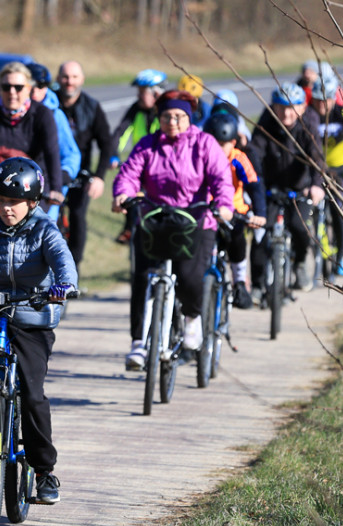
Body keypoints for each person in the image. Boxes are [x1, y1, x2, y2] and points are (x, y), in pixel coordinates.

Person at [0, 157, 76, 504]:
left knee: (33, 394)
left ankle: (44, 471)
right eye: (2, 200)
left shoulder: (44, 228)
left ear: (32, 203)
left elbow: (62, 259)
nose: (7, 209)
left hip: (34, 315)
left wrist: (64, 284)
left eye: (15, 202)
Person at [112, 90, 234, 370]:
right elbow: (128, 175)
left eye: (179, 116)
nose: (173, 122)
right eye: (167, 116)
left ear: (189, 118)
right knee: (142, 277)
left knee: (191, 277)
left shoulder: (205, 144)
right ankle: (139, 343)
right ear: (159, 118)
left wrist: (224, 205)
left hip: (196, 220)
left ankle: (192, 319)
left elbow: (220, 179)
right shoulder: (148, 145)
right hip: (155, 219)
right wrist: (122, 195)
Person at [246, 82, 326, 293]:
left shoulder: (308, 124)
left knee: (300, 227)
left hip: (300, 188)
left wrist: (317, 185)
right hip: (271, 187)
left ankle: (299, 263)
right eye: (281, 107)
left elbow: (317, 157)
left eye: (292, 107)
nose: (286, 113)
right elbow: (254, 153)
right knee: (261, 232)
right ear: (274, 107)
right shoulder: (267, 123)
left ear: (302, 108)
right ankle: (256, 284)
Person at [0, 61, 66, 207]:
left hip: (31, 187)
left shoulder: (43, 114)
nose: (12, 92)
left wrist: (56, 189)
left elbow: (52, 154)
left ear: (28, 89)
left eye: (18, 88)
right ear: (0, 88)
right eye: (6, 87)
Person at [203, 112, 266, 309]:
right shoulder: (200, 157)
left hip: (233, 210)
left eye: (223, 145)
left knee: (237, 239)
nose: (219, 150)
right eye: (214, 144)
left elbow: (254, 186)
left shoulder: (238, 158)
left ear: (233, 142)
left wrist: (260, 214)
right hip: (205, 211)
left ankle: (239, 281)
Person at [55, 60, 114, 270]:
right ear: (58, 79)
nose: (69, 82)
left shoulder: (92, 107)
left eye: (74, 77)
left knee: (78, 214)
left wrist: (98, 177)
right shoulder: (49, 105)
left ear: (82, 80)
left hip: (82, 173)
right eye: (65, 77)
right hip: (54, 171)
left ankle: (74, 266)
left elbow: (106, 143)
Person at [310, 71, 343, 278]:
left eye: (326, 100)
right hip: (319, 169)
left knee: (339, 212)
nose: (322, 105)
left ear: (333, 98)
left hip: (341, 169)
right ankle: (322, 252)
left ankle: (340, 255)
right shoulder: (309, 116)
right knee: (315, 212)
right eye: (318, 100)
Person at [112, 68, 168, 244]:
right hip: (139, 163)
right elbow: (120, 132)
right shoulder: (136, 109)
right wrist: (113, 154)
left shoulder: (167, 112)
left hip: (162, 167)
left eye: (142, 92)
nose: (138, 96)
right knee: (130, 197)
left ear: (156, 93)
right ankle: (129, 229)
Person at [27, 61, 82, 223]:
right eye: (32, 85)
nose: (36, 91)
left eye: (42, 86)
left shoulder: (55, 115)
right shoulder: (12, 112)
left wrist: (63, 175)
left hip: (46, 191)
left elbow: (71, 154)